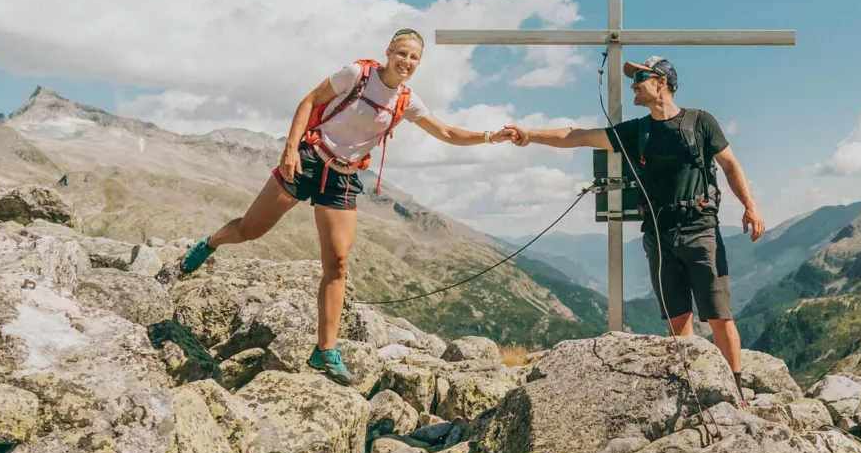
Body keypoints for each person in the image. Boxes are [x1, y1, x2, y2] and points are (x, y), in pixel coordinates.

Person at [179, 29, 520, 385]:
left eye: (414, 58)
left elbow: (447, 133)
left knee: (338, 262)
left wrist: (488, 137)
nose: (406, 61)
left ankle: (324, 350)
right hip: (310, 160)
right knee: (251, 229)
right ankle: (211, 243)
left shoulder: (406, 100)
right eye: (401, 53)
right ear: (388, 52)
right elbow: (308, 102)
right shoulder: (356, 75)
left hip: (342, 178)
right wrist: (290, 149)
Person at [511, 55, 765, 402]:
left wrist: (750, 207)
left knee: (719, 317)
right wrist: (531, 135)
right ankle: (692, 390)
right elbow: (577, 135)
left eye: (640, 78)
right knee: (678, 323)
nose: (632, 84)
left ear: (662, 82)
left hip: (701, 229)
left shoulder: (701, 122)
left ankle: (736, 394)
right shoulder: (637, 131)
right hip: (658, 237)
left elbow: (731, 164)